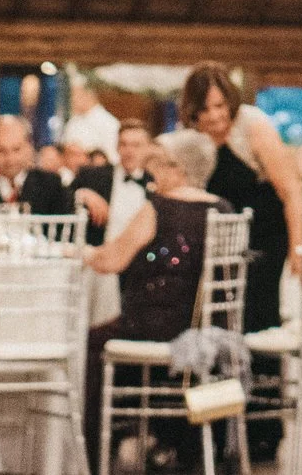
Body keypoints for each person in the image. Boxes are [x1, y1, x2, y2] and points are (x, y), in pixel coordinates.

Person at [83, 130, 232, 472]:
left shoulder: (160, 208)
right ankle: (176, 444)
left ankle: (93, 456)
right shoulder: (223, 209)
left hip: (157, 329)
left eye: (160, 164)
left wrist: (75, 251)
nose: (153, 173)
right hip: (207, 329)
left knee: (93, 342)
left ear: (178, 168)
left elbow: (110, 262)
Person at [181, 63, 302, 462]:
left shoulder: (253, 125)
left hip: (266, 240)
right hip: (224, 245)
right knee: (219, 332)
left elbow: (291, 192)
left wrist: (299, 250)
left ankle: (264, 431)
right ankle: (220, 433)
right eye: (205, 109)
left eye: (220, 106)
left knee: (256, 327)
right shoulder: (194, 141)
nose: (215, 116)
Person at [63, 76, 122, 165]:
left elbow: (113, 157)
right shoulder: (73, 122)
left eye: (75, 95)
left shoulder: (108, 123)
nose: (72, 100)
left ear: (88, 94)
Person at [116, 120, 154, 192]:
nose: (129, 151)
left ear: (147, 149)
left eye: (136, 145)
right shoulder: (98, 177)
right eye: (123, 144)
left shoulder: (155, 181)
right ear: (117, 147)